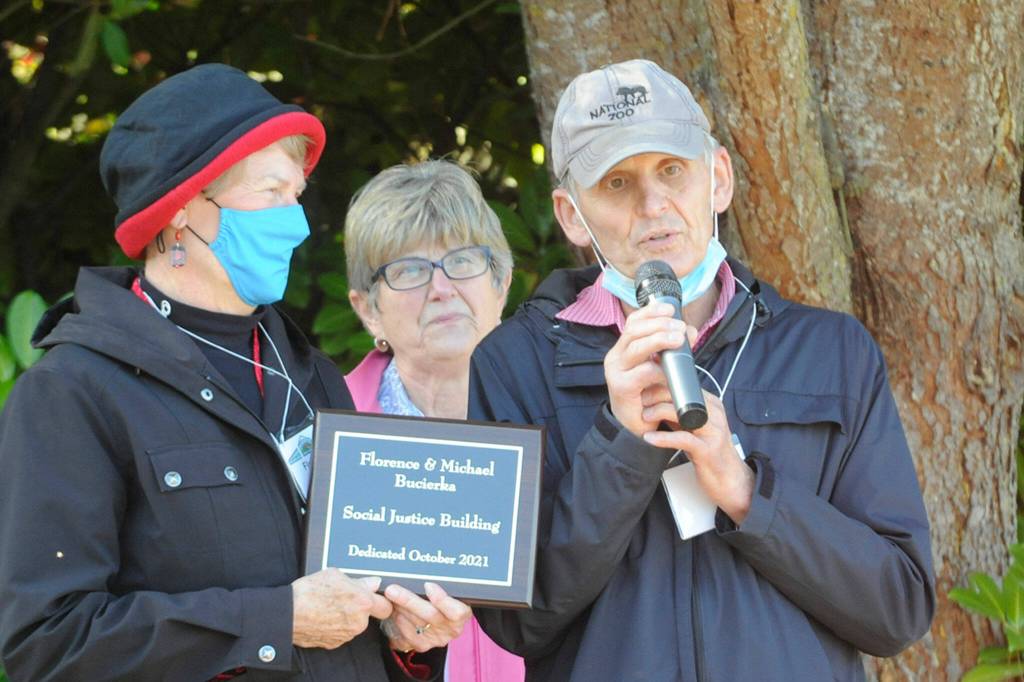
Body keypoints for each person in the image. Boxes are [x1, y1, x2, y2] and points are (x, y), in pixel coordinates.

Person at [467, 59, 936, 681]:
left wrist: (744, 492)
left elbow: (897, 610)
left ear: (716, 179)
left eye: (672, 170)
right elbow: (518, 621)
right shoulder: (513, 363)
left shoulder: (833, 351)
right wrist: (622, 444)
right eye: (615, 183)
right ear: (572, 215)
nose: (653, 205)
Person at [0, 63, 470, 682]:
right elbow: (47, 641)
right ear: (180, 211)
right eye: (270, 194)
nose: (297, 224)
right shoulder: (73, 393)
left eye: (295, 197)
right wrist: (277, 620)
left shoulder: (310, 374)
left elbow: (362, 606)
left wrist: (407, 637)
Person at [344, 159, 525, 682]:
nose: (442, 288)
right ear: (367, 310)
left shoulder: (569, 418)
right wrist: (398, 642)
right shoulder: (325, 441)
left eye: (462, 261)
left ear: (502, 282)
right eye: (407, 271)